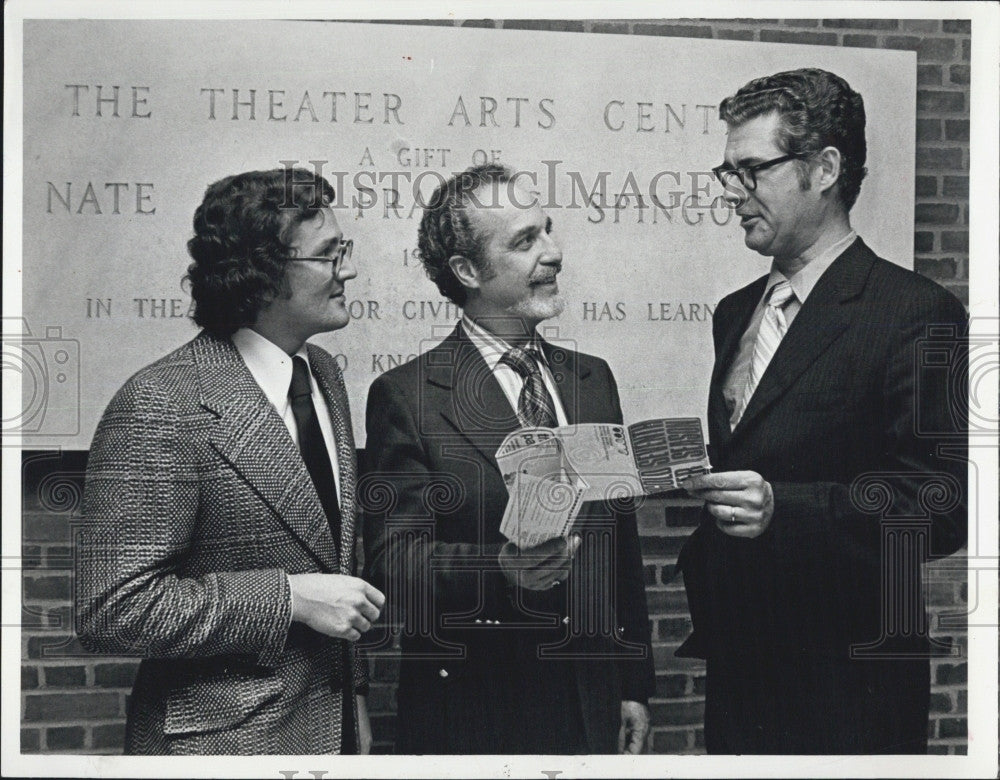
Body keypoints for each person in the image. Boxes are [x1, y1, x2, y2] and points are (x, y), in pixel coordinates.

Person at [677, 68, 968, 754]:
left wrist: (788, 508)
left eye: (752, 170)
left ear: (825, 168)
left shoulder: (915, 314)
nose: (732, 194)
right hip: (742, 673)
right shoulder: (733, 315)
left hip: (849, 682)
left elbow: (944, 501)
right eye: (728, 171)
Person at [75, 168, 384, 755]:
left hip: (332, 735)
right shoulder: (161, 402)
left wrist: (356, 702)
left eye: (343, 250)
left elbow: (333, 561)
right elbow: (112, 609)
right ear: (263, 275)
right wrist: (288, 598)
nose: (347, 269)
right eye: (328, 255)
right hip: (220, 748)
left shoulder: (324, 376)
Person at [361, 164, 655, 754]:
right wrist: (502, 568)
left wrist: (632, 685)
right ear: (467, 271)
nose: (554, 253)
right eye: (525, 241)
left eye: (548, 231)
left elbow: (619, 545)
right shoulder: (408, 396)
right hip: (477, 715)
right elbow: (395, 567)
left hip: (592, 707)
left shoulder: (592, 380)